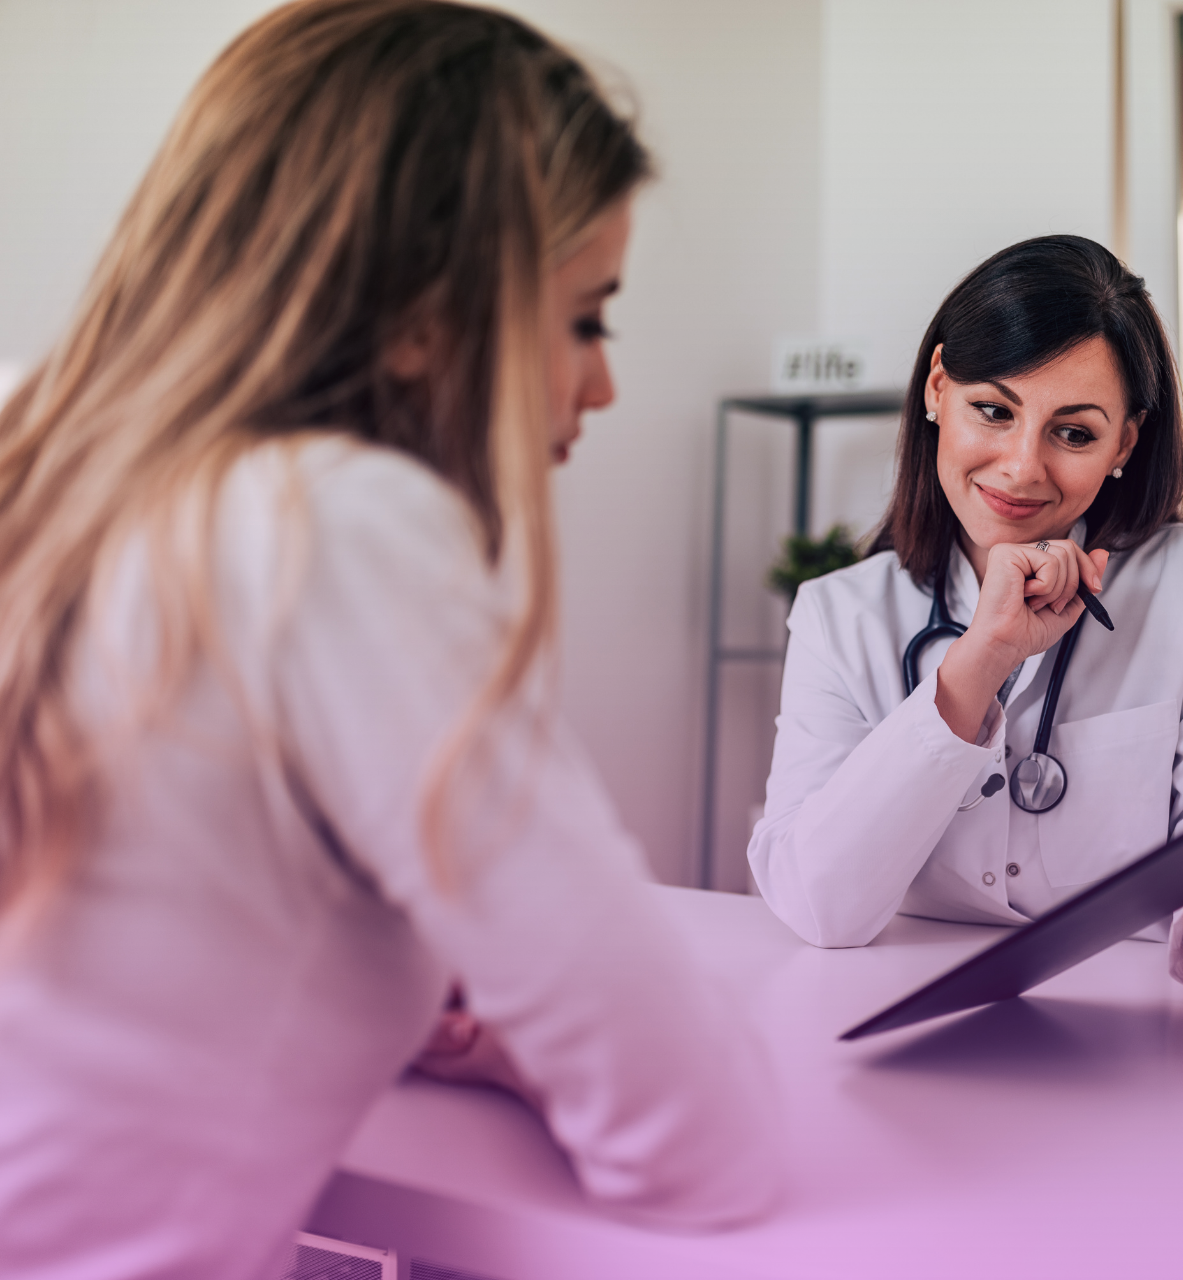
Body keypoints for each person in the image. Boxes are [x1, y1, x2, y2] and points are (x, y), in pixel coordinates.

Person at [0, 3, 777, 1274]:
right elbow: (699, 1135)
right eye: (588, 317)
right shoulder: (333, 524)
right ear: (424, 314)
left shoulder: (40, 460)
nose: (604, 384)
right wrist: (544, 1052)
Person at [748, 235, 1183, 980]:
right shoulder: (839, 615)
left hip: (1140, 1030)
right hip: (894, 1006)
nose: (1022, 467)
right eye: (993, 410)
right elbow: (818, 906)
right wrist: (977, 662)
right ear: (936, 389)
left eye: (1075, 433)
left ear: (1126, 440)